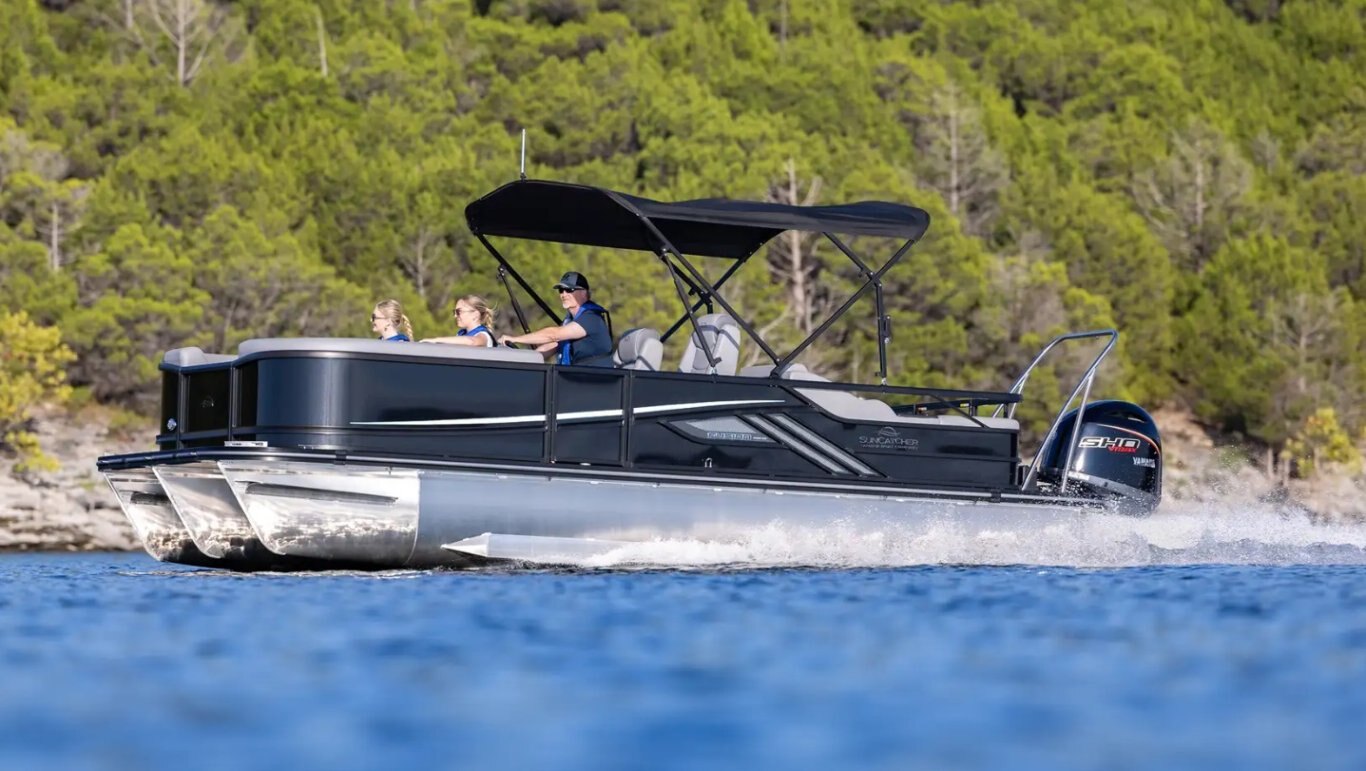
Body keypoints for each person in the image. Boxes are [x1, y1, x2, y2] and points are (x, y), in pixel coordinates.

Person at [498, 271, 612, 366]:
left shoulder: (591, 318)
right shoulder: (570, 321)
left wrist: (516, 339)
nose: (563, 294)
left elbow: (553, 335)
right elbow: (553, 345)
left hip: (594, 381)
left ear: (583, 293)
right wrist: (523, 358)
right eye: (561, 290)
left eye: (570, 290)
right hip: (577, 378)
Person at [422, 295, 496, 347]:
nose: (455, 316)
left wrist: (436, 340)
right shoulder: (461, 333)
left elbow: (473, 342)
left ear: (475, 315)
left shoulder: (483, 335)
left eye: (459, 312)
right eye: (454, 312)